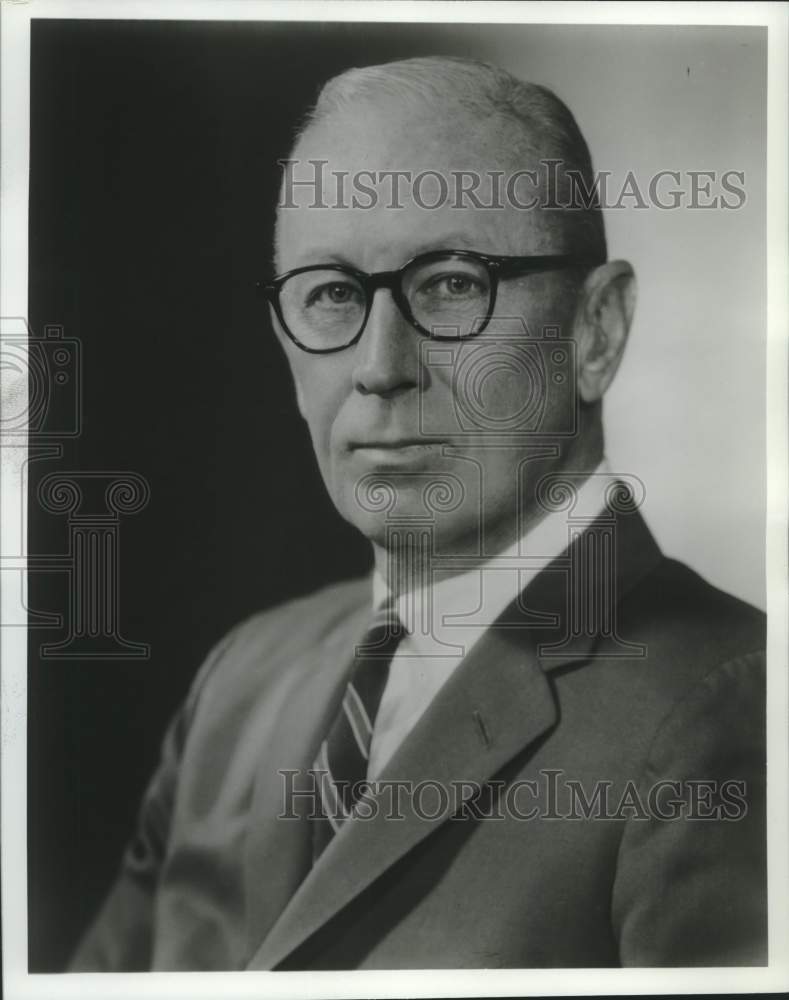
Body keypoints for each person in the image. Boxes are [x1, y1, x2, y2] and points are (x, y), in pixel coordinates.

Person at [70, 56, 766, 971]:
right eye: (331, 294)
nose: (379, 365)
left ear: (594, 332)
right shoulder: (241, 682)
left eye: (449, 284)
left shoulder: (729, 710)